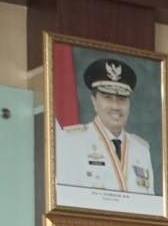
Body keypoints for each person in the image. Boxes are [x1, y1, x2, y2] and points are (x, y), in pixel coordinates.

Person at [56, 57, 156, 197]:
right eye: (107, 97)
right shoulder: (72, 141)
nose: (115, 106)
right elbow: (66, 197)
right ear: (94, 101)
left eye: (121, 99)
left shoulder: (141, 150)